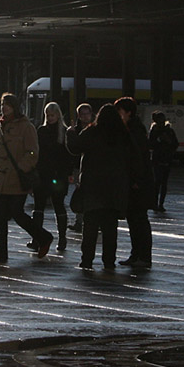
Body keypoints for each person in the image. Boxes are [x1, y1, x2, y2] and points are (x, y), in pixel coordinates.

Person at [67, 104, 136, 270]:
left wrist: (70, 133)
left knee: (90, 226)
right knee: (110, 228)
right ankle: (109, 260)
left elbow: (75, 148)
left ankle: (87, 260)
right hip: (114, 188)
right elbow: (131, 158)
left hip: (93, 186)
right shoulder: (123, 134)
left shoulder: (92, 132)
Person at [0, 93, 52, 263]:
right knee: (0, 216)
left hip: (17, 179)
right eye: (2, 105)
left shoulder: (26, 127)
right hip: (2, 180)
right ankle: (0, 251)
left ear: (15, 106)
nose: (4, 108)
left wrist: (21, 168)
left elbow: (32, 152)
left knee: (17, 213)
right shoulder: (1, 127)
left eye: (7, 105)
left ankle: (43, 237)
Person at [115, 97, 152, 268]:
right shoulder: (134, 128)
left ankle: (142, 255)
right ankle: (138, 254)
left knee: (138, 219)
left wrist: (136, 179)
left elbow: (138, 157)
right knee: (136, 219)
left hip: (137, 182)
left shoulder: (133, 130)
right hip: (136, 181)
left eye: (120, 111)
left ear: (128, 112)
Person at [31, 101, 72, 252]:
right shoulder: (44, 130)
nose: (50, 118)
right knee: (40, 206)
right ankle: (38, 237)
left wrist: (67, 173)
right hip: (45, 174)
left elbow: (67, 156)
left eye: (52, 115)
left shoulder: (61, 131)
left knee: (57, 204)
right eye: (48, 115)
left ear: (58, 115)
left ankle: (60, 237)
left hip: (55, 174)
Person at [66, 103, 94, 233]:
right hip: (78, 166)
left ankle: (90, 220)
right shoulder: (75, 130)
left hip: (92, 166)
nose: (85, 117)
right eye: (82, 114)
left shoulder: (94, 128)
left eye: (87, 113)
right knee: (80, 192)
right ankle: (79, 220)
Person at [147, 110, 179, 212]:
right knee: (159, 182)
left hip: (165, 158)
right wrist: (159, 140)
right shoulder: (155, 131)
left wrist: (168, 142)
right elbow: (150, 144)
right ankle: (156, 203)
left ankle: (160, 203)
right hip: (159, 158)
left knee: (162, 183)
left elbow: (175, 144)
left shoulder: (168, 131)